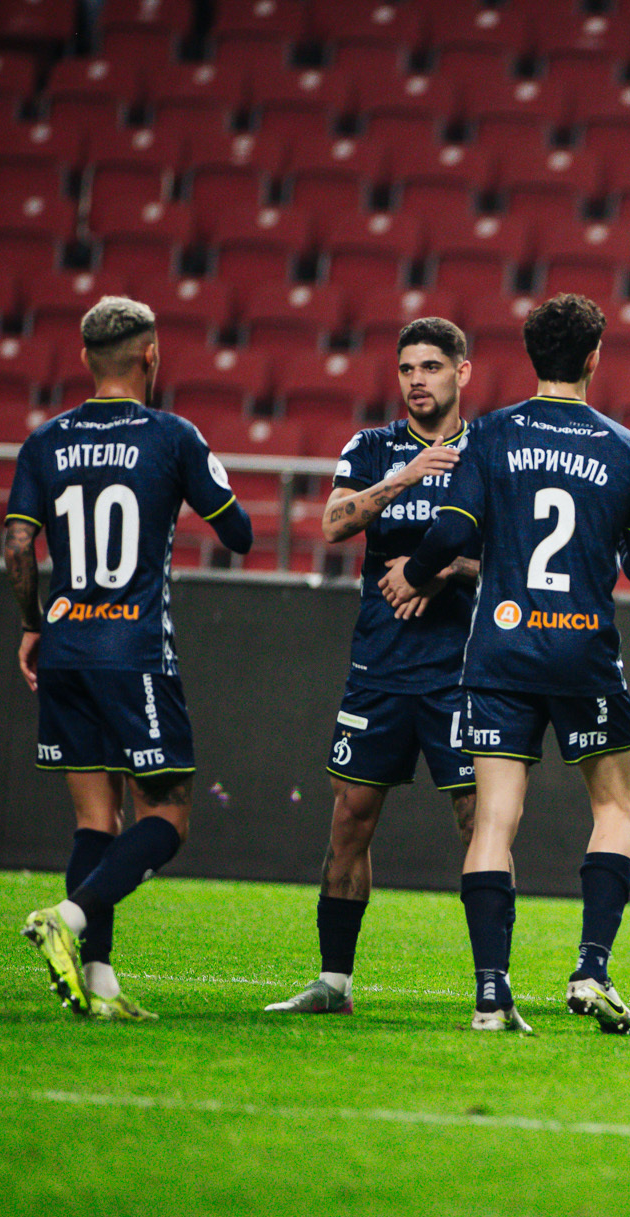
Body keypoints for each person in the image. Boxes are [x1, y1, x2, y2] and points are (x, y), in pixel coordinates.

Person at [384, 293, 630, 1035]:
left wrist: (413, 573)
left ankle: (489, 994)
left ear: (532, 355)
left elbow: (450, 533)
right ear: (595, 357)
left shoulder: (491, 435)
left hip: (502, 649)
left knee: (493, 821)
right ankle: (592, 968)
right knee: (615, 808)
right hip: (582, 651)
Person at [6, 296, 253, 1020]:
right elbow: (238, 533)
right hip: (134, 650)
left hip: (64, 646)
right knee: (168, 817)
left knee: (96, 822)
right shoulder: (172, 437)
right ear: (151, 355)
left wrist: (31, 624)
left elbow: (18, 545)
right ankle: (67, 918)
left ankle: (100, 982)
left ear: (86, 358)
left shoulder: (45, 441)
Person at [266, 317, 480, 1016]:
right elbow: (332, 524)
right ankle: (334, 982)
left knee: (478, 821)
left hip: (461, 671)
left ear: (462, 372)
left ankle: (492, 982)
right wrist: (405, 476)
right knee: (351, 818)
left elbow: (513, 561)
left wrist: (438, 571)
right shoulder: (373, 448)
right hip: (380, 667)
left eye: (432, 367)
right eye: (407, 368)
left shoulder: (488, 451)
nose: (418, 380)